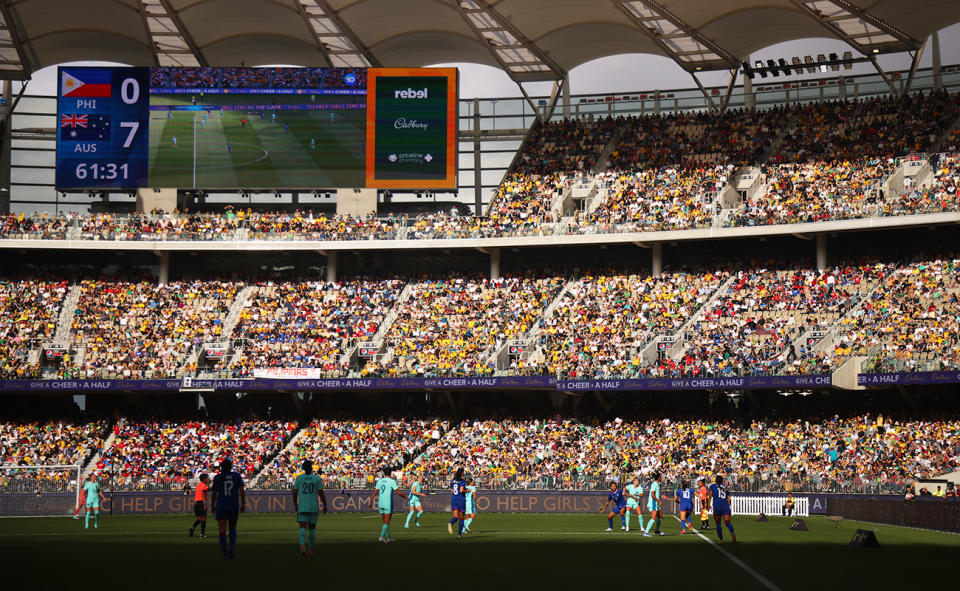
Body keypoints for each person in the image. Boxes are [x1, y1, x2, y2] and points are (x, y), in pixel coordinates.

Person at [210, 459, 245, 559]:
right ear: (230, 466)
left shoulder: (218, 477)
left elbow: (213, 493)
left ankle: (224, 554)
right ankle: (231, 547)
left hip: (221, 504)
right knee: (232, 528)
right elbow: (241, 491)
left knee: (222, 529)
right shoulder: (236, 476)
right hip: (233, 504)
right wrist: (243, 504)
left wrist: (212, 505)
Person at [292, 459, 327, 556]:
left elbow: (294, 492)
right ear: (311, 468)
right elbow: (321, 493)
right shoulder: (316, 478)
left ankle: (302, 546)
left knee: (302, 527)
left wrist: (295, 504)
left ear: (303, 468)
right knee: (312, 528)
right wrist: (325, 505)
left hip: (302, 506)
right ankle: (310, 549)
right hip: (313, 506)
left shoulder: (299, 478)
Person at [369, 467, 406, 542]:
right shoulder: (392, 481)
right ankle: (381, 537)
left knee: (385, 523)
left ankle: (389, 538)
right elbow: (398, 492)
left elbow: (374, 492)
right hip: (387, 503)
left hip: (380, 503)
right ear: (390, 473)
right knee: (386, 522)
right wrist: (406, 497)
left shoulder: (380, 481)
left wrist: (370, 501)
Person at [709, 475, 736, 543]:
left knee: (718, 523)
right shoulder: (724, 487)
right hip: (725, 506)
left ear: (715, 480)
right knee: (727, 522)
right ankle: (733, 535)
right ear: (722, 481)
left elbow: (710, 495)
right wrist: (728, 504)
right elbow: (728, 497)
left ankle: (721, 540)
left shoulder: (712, 486)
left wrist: (708, 504)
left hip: (717, 505)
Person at [448, 467, 468, 538]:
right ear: (462, 473)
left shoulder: (453, 480)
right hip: (461, 500)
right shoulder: (463, 481)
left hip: (454, 499)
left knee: (455, 517)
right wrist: (467, 491)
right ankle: (459, 534)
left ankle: (450, 523)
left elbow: (452, 491)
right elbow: (461, 490)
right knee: (462, 518)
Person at [189, 473, 210, 538]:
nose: (207, 479)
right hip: (201, 502)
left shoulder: (199, 485)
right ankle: (202, 534)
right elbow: (203, 495)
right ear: (204, 479)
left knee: (199, 519)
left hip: (196, 502)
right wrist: (204, 504)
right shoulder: (204, 485)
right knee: (203, 519)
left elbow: (204, 491)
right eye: (207, 478)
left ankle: (192, 528)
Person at [643, 472, 663, 537]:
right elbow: (652, 494)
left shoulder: (656, 484)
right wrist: (659, 501)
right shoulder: (654, 484)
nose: (661, 478)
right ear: (659, 478)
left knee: (660, 516)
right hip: (653, 503)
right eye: (660, 477)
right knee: (654, 518)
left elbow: (656, 494)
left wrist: (661, 496)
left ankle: (657, 530)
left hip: (656, 503)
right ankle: (646, 532)